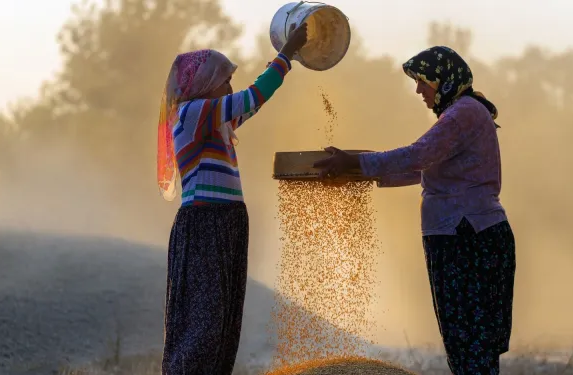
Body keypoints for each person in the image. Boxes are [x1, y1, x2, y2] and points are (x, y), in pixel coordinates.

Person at [313, 46, 516, 375]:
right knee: (468, 343)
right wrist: (359, 172)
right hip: (466, 234)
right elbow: (423, 168)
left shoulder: (463, 113)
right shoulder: (464, 113)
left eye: (423, 81)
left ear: (443, 79)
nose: (418, 89)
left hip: (466, 236)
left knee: (470, 341)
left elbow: (418, 155)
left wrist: (356, 162)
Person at [156, 23, 308, 375]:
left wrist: (288, 58)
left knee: (224, 322)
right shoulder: (193, 113)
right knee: (204, 324)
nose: (230, 88)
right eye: (225, 81)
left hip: (227, 223)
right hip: (205, 223)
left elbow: (251, 104)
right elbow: (253, 96)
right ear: (204, 85)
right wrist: (287, 55)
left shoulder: (214, 121)